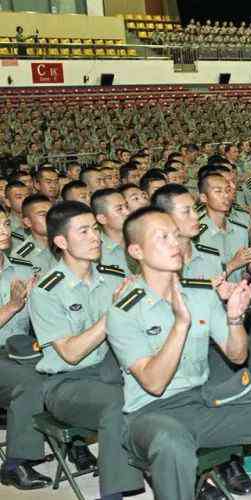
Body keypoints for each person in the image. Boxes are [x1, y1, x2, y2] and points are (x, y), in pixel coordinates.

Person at [106, 207, 251, 500]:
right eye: (162, 237)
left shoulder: (200, 293)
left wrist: (234, 319)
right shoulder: (124, 310)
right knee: (171, 442)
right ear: (136, 250)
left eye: (176, 236)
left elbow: (237, 355)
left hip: (202, 402)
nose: (175, 244)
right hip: (151, 414)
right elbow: (153, 383)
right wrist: (181, 324)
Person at [28, 201, 144, 500]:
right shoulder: (46, 291)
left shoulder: (115, 277)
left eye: (95, 228)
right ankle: (113, 493)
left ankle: (190, 474)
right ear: (61, 242)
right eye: (84, 231)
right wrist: (112, 316)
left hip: (113, 371)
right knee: (120, 403)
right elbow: (70, 353)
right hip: (68, 383)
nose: (96, 237)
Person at [0, 205, 52, 491]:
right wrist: (11, 306)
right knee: (28, 383)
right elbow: (15, 308)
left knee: (66, 368)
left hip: (21, 349)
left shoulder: (21, 269)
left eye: (6, 224)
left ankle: (73, 443)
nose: (4, 232)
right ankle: (13, 464)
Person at [91, 189, 132, 279]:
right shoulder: (95, 253)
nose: (128, 212)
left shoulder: (140, 241)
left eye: (127, 206)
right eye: (119, 209)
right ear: (102, 219)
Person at [13, 194, 57, 275]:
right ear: (28, 222)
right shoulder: (21, 257)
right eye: (43, 215)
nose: (50, 217)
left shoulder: (66, 244)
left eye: (52, 213)